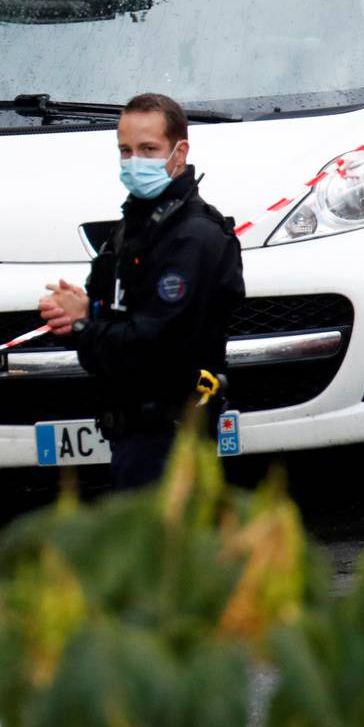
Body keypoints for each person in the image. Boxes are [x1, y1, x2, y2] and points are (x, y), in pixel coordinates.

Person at [38, 94, 244, 492]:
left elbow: (152, 347)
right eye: (126, 151)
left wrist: (83, 325)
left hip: (169, 437)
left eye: (148, 149)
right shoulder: (138, 223)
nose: (135, 162)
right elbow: (112, 306)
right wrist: (78, 310)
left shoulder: (191, 236)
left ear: (179, 151)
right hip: (132, 435)